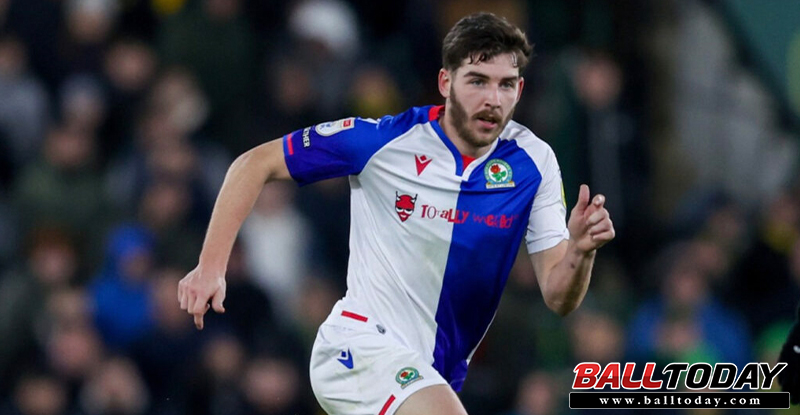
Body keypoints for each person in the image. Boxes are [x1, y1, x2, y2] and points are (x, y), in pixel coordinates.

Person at [178, 12, 615, 415]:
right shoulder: (384, 142)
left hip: (435, 373)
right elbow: (253, 164)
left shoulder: (535, 163)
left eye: (506, 85)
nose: (492, 99)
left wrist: (581, 252)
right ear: (445, 82)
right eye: (477, 81)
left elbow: (559, 297)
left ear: (519, 90)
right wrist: (211, 266)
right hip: (359, 347)